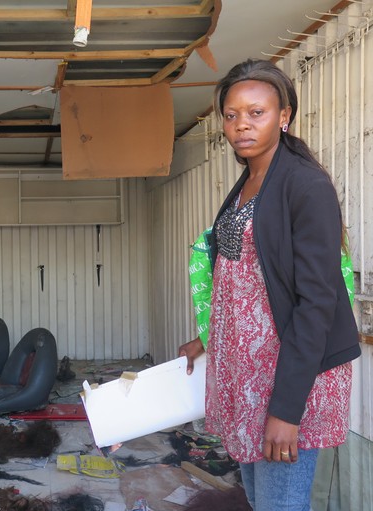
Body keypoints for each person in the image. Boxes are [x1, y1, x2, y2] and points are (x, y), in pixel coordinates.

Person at [178, 59, 361, 511]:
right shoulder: (250, 180)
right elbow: (244, 277)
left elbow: (317, 301)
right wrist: (208, 337)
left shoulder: (305, 185)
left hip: (292, 374)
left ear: (284, 116)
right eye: (232, 114)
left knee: (281, 505)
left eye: (256, 112)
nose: (241, 124)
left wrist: (286, 410)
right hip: (248, 373)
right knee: (261, 501)